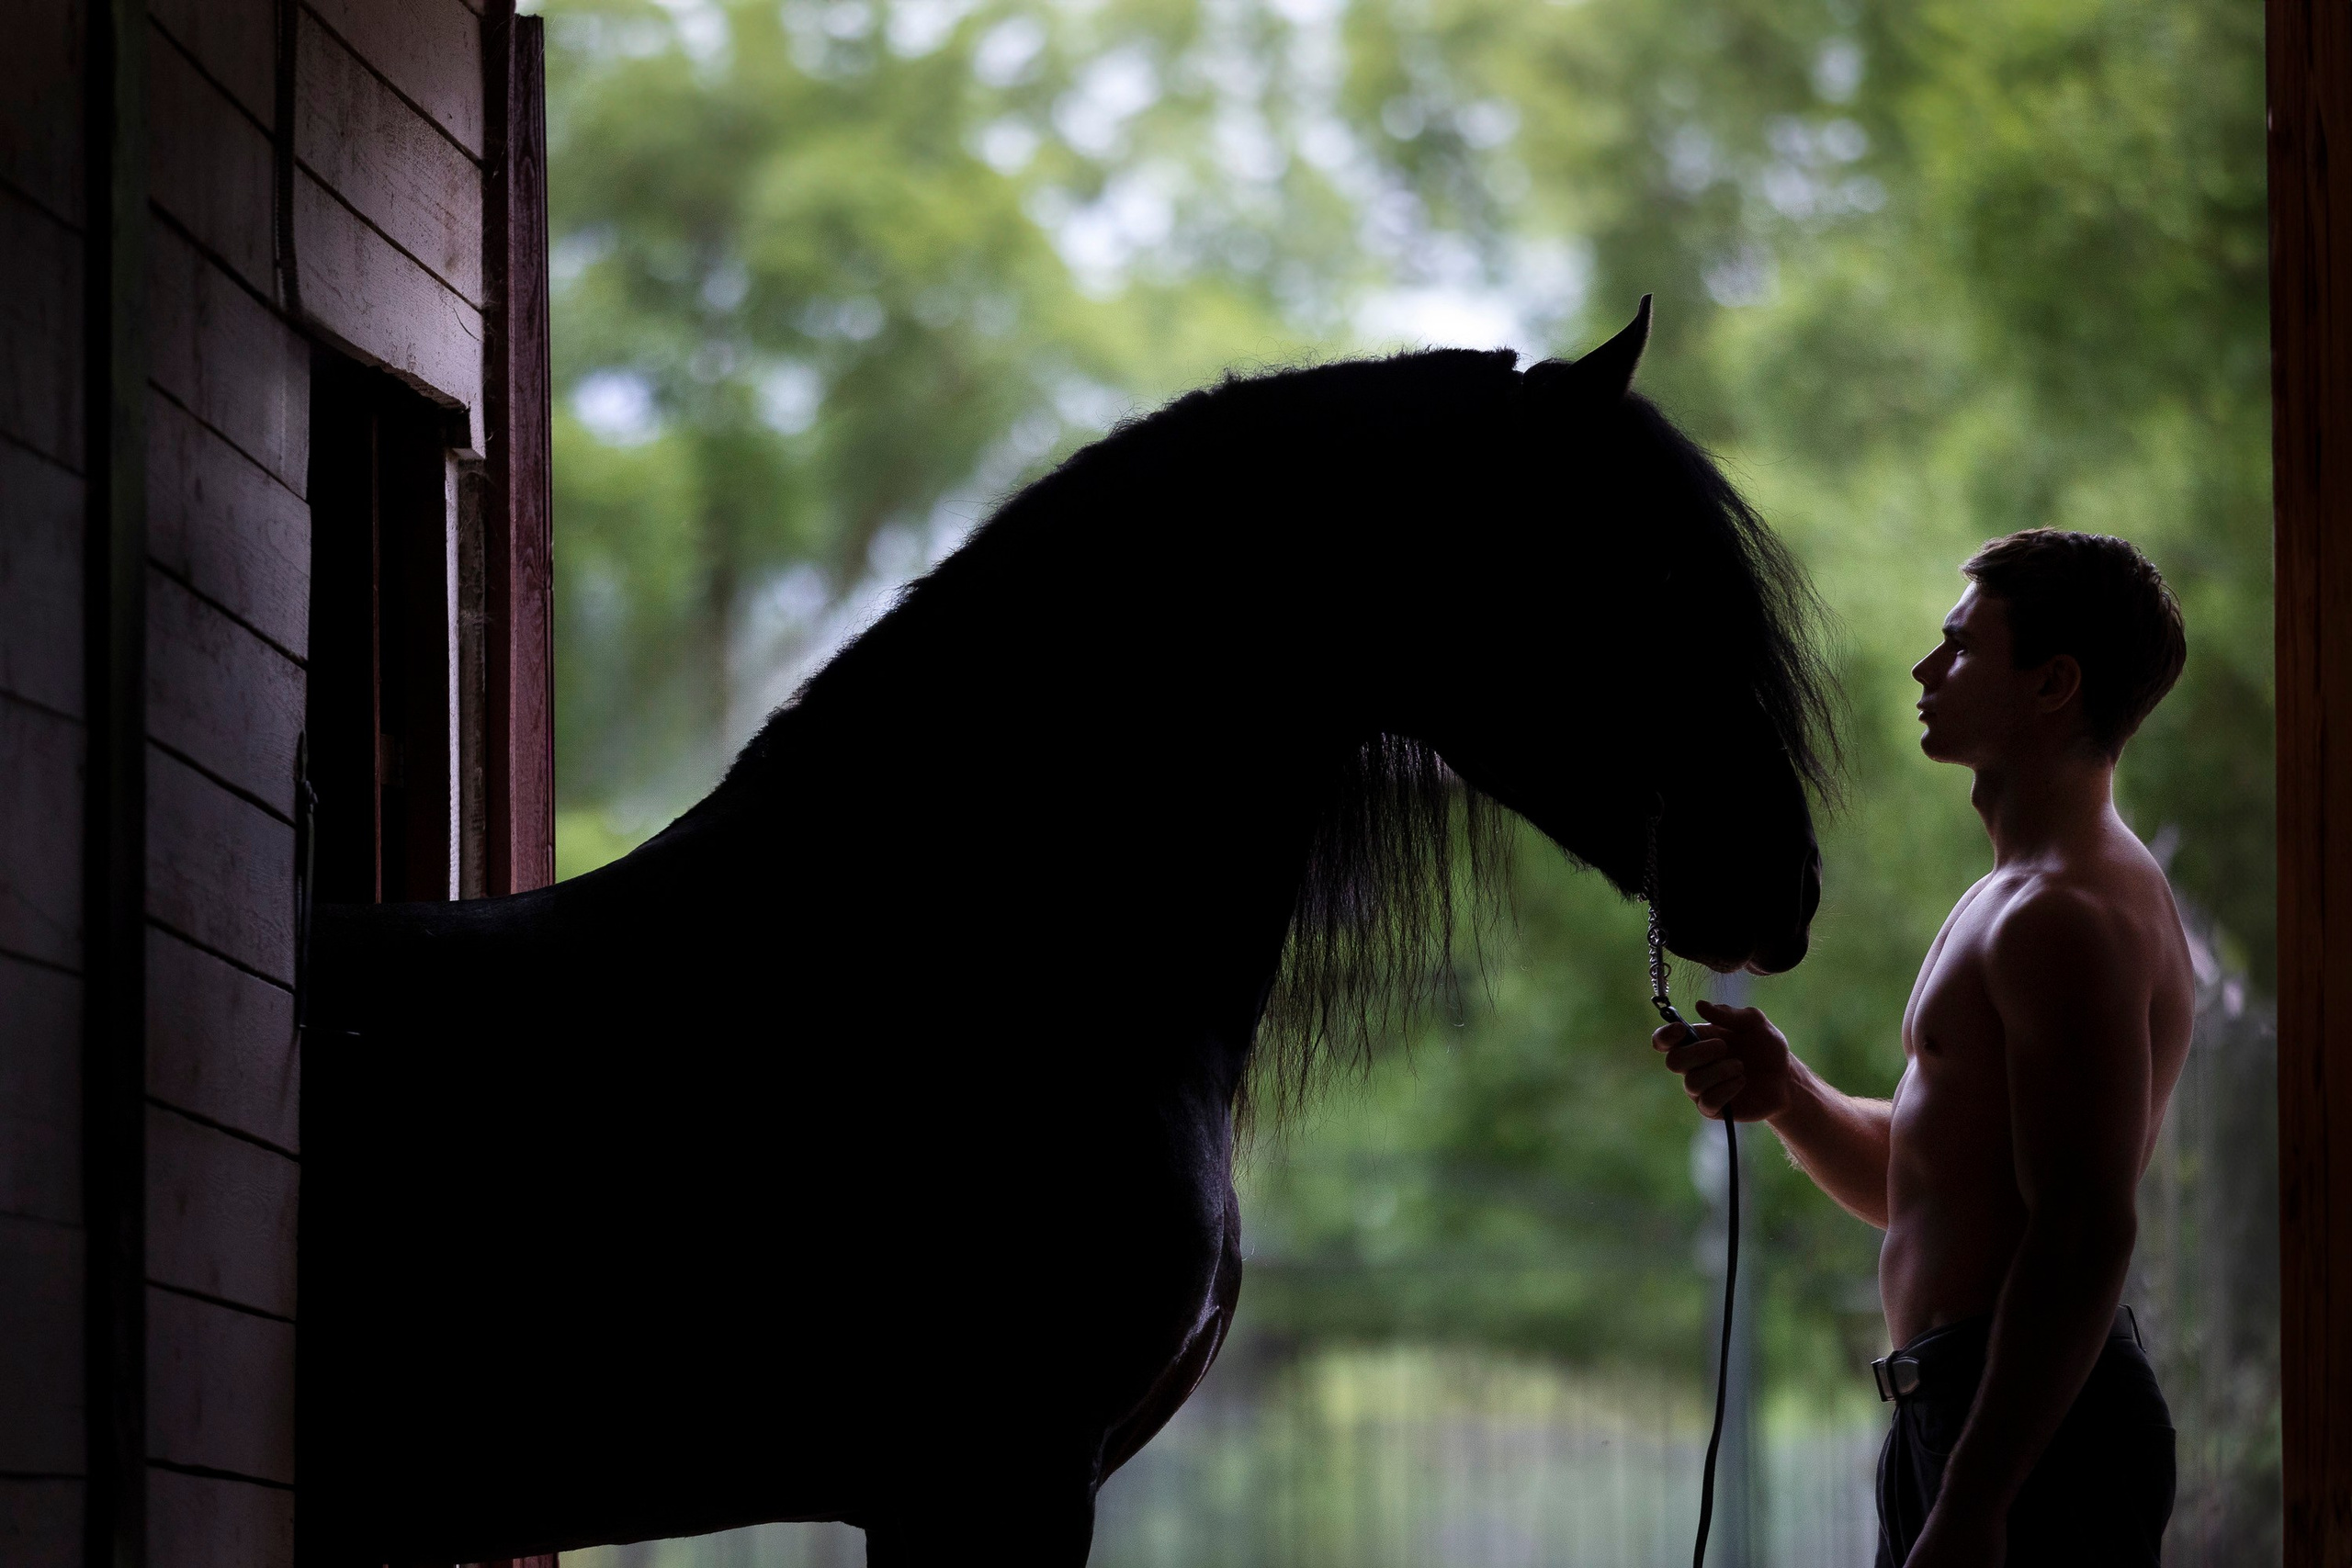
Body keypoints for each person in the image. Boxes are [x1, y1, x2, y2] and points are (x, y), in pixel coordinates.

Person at [1657, 529, 2191, 1567]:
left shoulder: (2063, 913)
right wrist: (1788, 1095)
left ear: (2053, 684)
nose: (1924, 668)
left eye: (1959, 648)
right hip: (1968, 1417)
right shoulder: (2011, 895)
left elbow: (2083, 1234)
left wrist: (1978, 1498)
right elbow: (1938, 1185)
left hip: (2032, 1444)